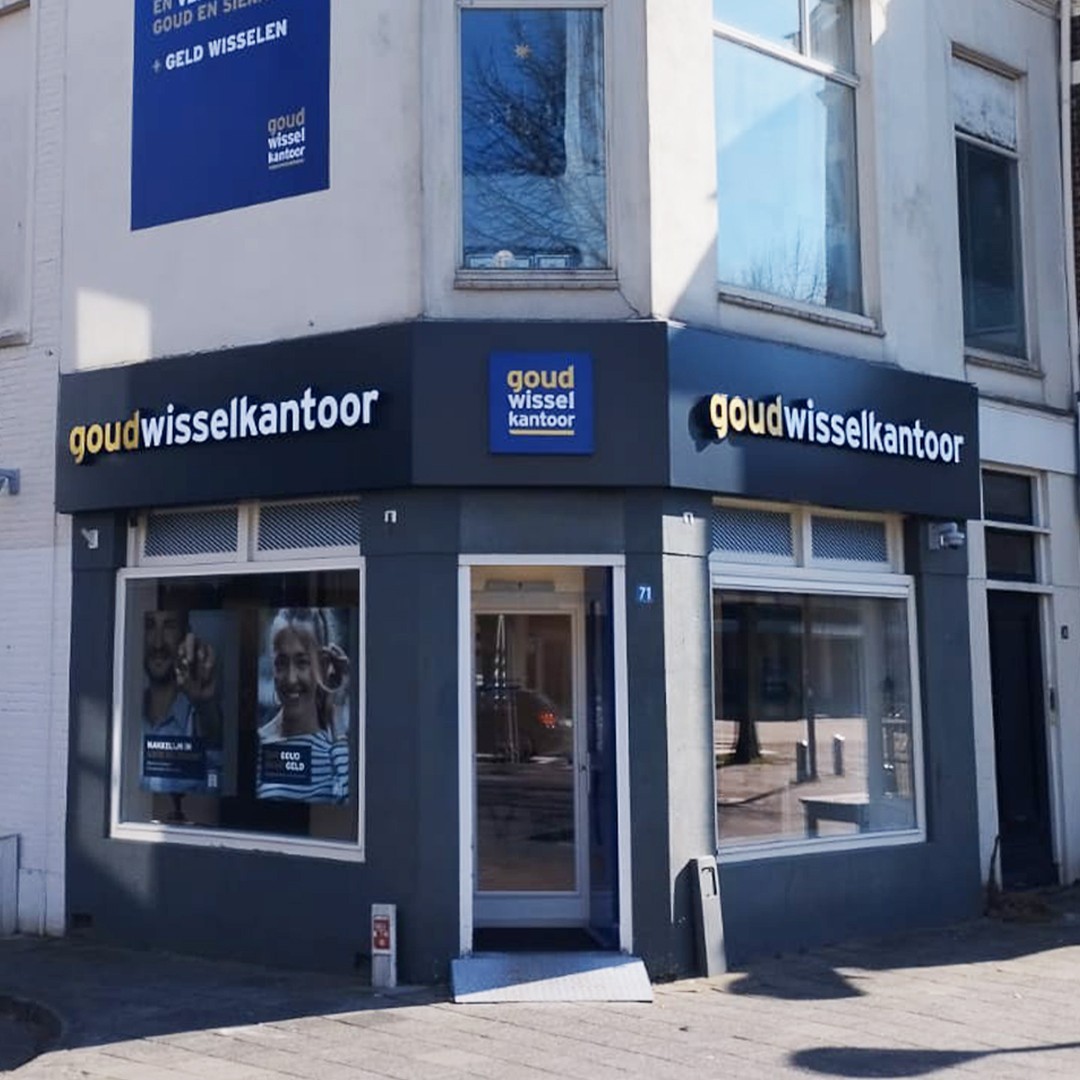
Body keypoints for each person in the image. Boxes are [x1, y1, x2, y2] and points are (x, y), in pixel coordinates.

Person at [257, 607, 350, 803]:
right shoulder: (258, 745)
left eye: (302, 663)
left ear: (324, 666)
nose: (291, 679)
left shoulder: (337, 750)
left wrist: (337, 709)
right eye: (281, 663)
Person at [141, 608, 223, 800]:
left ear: (186, 636)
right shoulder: (123, 714)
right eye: (150, 626)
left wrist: (205, 705)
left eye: (169, 626)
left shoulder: (201, 717)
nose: (158, 643)